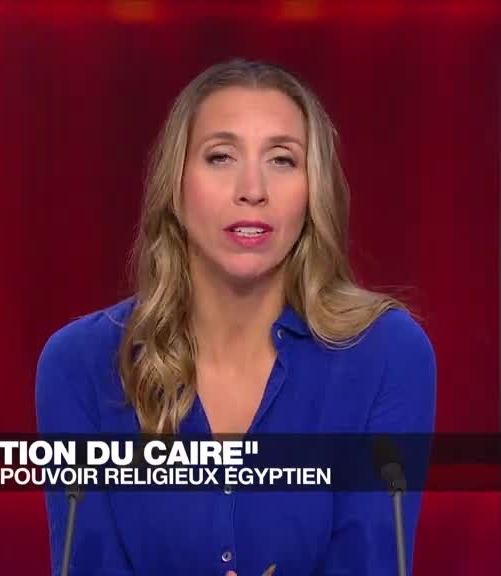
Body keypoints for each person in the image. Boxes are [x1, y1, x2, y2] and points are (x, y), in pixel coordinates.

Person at [36, 58, 436, 575]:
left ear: (313, 191)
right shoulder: (80, 365)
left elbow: (374, 564)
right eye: (221, 156)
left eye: (282, 160)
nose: (252, 188)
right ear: (175, 185)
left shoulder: (387, 355)